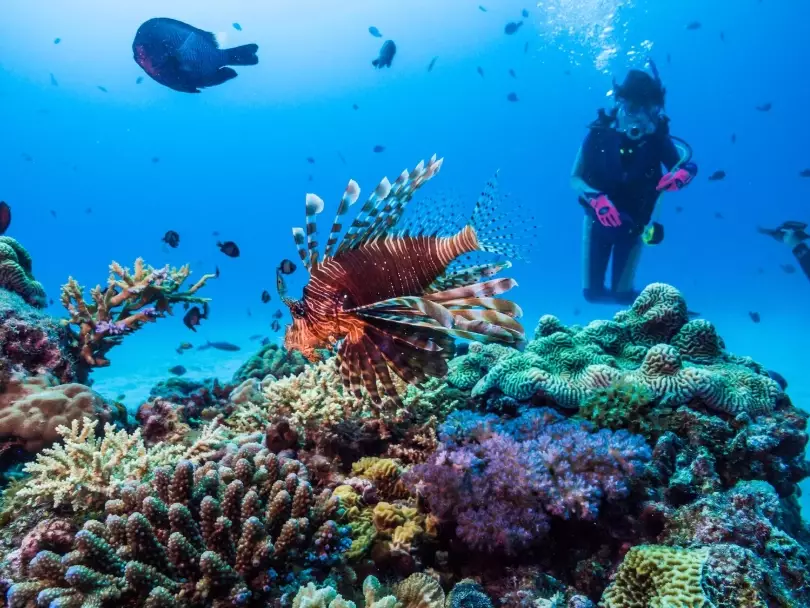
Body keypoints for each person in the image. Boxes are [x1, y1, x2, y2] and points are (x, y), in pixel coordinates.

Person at [571, 61, 698, 304]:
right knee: (592, 295)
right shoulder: (598, 134)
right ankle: (651, 305)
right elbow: (574, 178)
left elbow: (686, 166)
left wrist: (683, 176)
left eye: (649, 110)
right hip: (597, 221)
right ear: (620, 103)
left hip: (635, 224)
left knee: (622, 297)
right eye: (633, 108)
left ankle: (662, 307)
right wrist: (595, 198)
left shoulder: (657, 138)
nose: (640, 118)